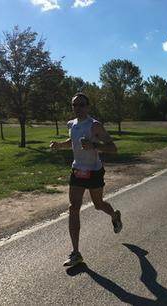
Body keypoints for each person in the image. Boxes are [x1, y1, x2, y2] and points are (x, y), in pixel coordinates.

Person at [50, 93, 122, 267]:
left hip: (94, 172)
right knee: (73, 207)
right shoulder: (71, 124)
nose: (78, 108)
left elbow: (113, 148)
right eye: (74, 105)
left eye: (81, 104)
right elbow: (72, 142)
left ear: (87, 106)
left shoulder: (94, 125)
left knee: (98, 205)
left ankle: (114, 215)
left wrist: (94, 145)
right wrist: (60, 145)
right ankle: (76, 253)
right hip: (77, 171)